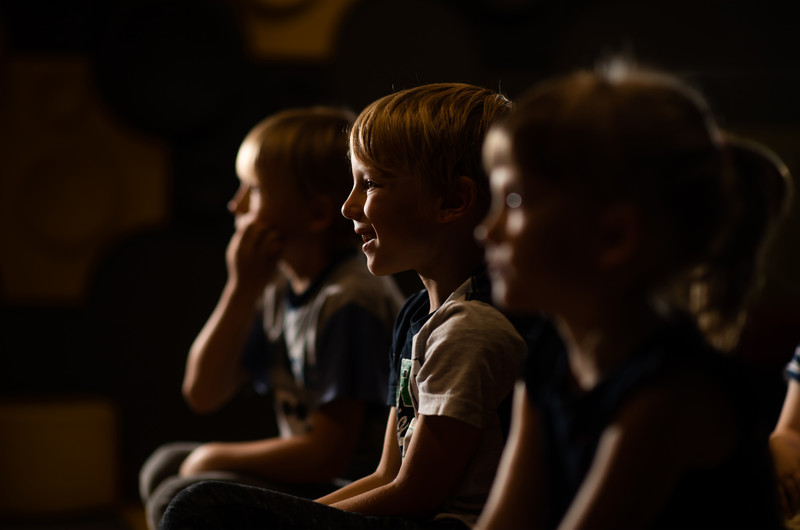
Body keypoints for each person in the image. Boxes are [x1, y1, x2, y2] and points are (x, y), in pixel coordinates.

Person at [158, 83, 532, 530]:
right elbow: (386, 473)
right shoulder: (418, 316)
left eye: (370, 183)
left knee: (198, 507)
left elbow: (415, 493)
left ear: (452, 201)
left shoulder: (469, 329)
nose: (348, 205)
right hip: (408, 508)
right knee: (182, 486)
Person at [474, 61, 790, 529]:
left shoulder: (672, 392)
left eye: (515, 200)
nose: (487, 230)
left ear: (614, 237)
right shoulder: (551, 358)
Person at [139, 106, 406, 530]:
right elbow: (203, 392)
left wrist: (215, 456)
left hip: (350, 488)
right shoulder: (275, 285)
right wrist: (240, 288)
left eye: (254, 190)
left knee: (184, 489)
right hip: (316, 473)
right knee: (164, 465)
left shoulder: (350, 299)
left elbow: (327, 453)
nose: (235, 203)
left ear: (317, 214)